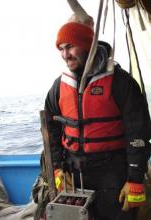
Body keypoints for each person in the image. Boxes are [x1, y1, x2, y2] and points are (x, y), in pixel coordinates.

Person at [43, 15, 151, 220]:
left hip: (114, 174)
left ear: (86, 45)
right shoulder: (58, 87)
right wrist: (57, 169)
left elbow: (138, 132)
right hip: (74, 176)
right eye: (61, 49)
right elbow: (51, 132)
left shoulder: (121, 82)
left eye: (70, 46)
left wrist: (135, 178)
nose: (65, 54)